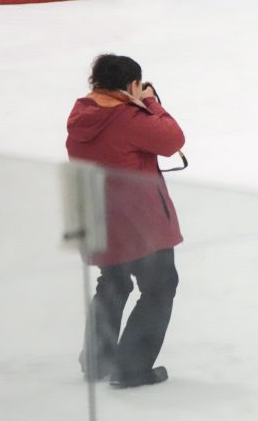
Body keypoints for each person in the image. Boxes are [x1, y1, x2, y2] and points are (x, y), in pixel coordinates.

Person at [66, 54, 185, 388]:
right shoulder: (129, 118)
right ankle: (131, 368)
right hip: (139, 225)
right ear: (130, 84)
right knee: (159, 288)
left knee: (113, 282)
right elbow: (172, 140)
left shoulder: (81, 114)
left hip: (98, 219)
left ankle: (96, 359)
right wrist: (151, 104)